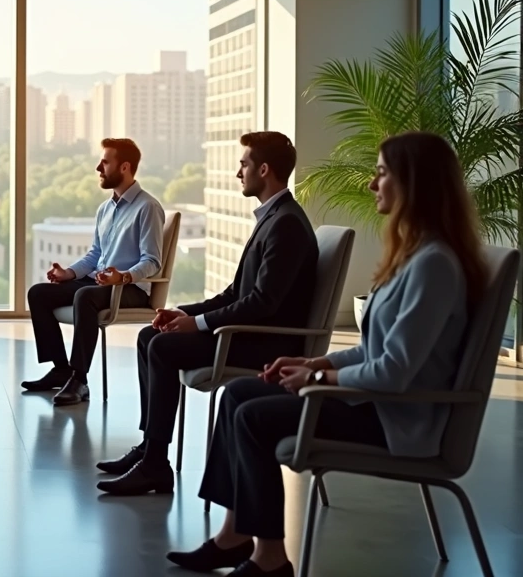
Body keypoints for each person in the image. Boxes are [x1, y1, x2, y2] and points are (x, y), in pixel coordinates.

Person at [165, 132, 486, 577]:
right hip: (378, 402)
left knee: (252, 416)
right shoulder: (416, 256)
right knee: (239, 394)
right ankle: (234, 535)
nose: (372, 185)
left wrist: (319, 382)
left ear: (414, 183)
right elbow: (377, 348)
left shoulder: (433, 264)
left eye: (381, 174)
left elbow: (394, 371)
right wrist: (319, 363)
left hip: (395, 417)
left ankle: (269, 559)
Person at [97, 131, 318, 497]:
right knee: (150, 335)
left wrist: (197, 324)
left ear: (264, 170)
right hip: (248, 330)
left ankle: (154, 464)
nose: (238, 173)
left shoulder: (286, 224)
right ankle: (150, 448)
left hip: (264, 343)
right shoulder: (274, 217)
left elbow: (263, 302)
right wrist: (182, 312)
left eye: (244, 165)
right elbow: (236, 293)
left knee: (163, 348)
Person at [22, 138, 165, 406]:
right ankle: (61, 369)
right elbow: (95, 255)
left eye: (105, 162)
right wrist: (69, 273)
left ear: (124, 167)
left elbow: (153, 261)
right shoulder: (105, 209)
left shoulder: (148, 207)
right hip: (97, 285)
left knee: (85, 296)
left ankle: (79, 379)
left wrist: (122, 277)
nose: (98, 167)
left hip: (129, 289)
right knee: (39, 293)